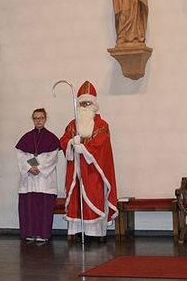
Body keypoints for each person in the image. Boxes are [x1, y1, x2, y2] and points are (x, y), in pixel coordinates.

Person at [59, 81, 118, 242]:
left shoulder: (102, 125)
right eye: (82, 103)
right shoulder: (73, 124)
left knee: (95, 197)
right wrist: (72, 143)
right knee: (77, 201)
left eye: (88, 103)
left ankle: (96, 234)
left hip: (94, 171)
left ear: (94, 104)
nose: (85, 106)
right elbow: (63, 140)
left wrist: (84, 148)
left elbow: (102, 143)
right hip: (77, 172)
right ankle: (79, 232)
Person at [15, 108, 61, 244]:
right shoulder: (26, 137)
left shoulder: (51, 138)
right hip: (29, 180)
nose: (38, 121)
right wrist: (30, 167)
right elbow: (22, 156)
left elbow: (51, 158)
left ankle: (43, 234)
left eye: (41, 118)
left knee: (43, 209)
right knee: (29, 208)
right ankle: (29, 233)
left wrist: (38, 168)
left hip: (45, 181)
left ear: (45, 119)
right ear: (33, 120)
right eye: (35, 118)